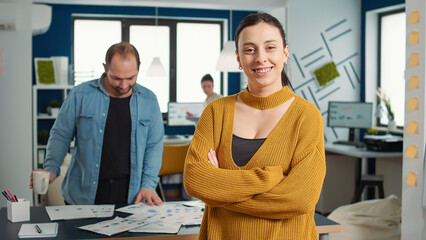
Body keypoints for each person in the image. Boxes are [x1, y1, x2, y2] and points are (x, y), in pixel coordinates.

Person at [183, 13, 326, 239]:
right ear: (238, 58)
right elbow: (195, 181)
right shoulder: (215, 111)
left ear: (285, 53)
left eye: (270, 47)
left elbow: (301, 198)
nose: (260, 58)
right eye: (249, 50)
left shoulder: (306, 116)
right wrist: (270, 178)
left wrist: (220, 189)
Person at [29, 42, 164, 206]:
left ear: (139, 68)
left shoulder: (149, 100)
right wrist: (50, 169)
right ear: (105, 68)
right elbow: (61, 135)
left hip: (131, 197)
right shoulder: (80, 94)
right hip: (82, 195)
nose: (123, 85)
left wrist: (149, 185)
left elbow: (154, 145)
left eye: (130, 78)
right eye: (116, 78)